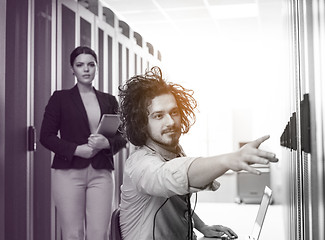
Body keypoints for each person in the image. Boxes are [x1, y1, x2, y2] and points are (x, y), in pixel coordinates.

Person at [117, 66, 279, 240]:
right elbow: (168, 176)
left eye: (174, 112)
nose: (171, 122)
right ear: (141, 123)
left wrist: (202, 227)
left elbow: (178, 197)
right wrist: (229, 160)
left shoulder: (175, 152)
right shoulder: (139, 164)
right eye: (158, 116)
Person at [40, 46, 127, 240]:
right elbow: (46, 136)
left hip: (102, 173)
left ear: (97, 68)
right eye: (80, 65)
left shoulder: (109, 100)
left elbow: (123, 137)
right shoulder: (60, 98)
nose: (86, 69)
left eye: (91, 65)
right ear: (72, 69)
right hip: (68, 173)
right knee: (73, 234)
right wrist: (77, 150)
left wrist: (106, 143)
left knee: (99, 234)